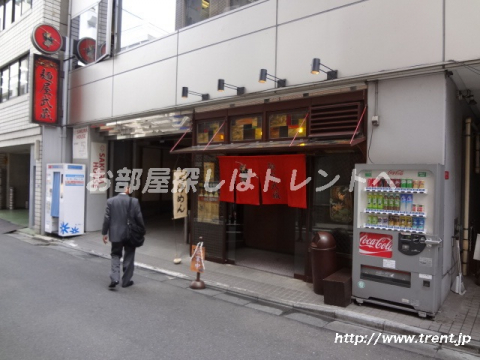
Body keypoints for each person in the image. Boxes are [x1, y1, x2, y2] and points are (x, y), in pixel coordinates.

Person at [102, 184, 145, 289]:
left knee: (115, 254)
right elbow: (139, 217)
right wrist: (142, 230)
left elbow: (107, 218)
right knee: (129, 255)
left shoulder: (111, 201)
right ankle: (126, 281)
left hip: (116, 233)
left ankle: (115, 278)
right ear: (127, 189)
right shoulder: (134, 201)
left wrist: (104, 233)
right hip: (130, 234)